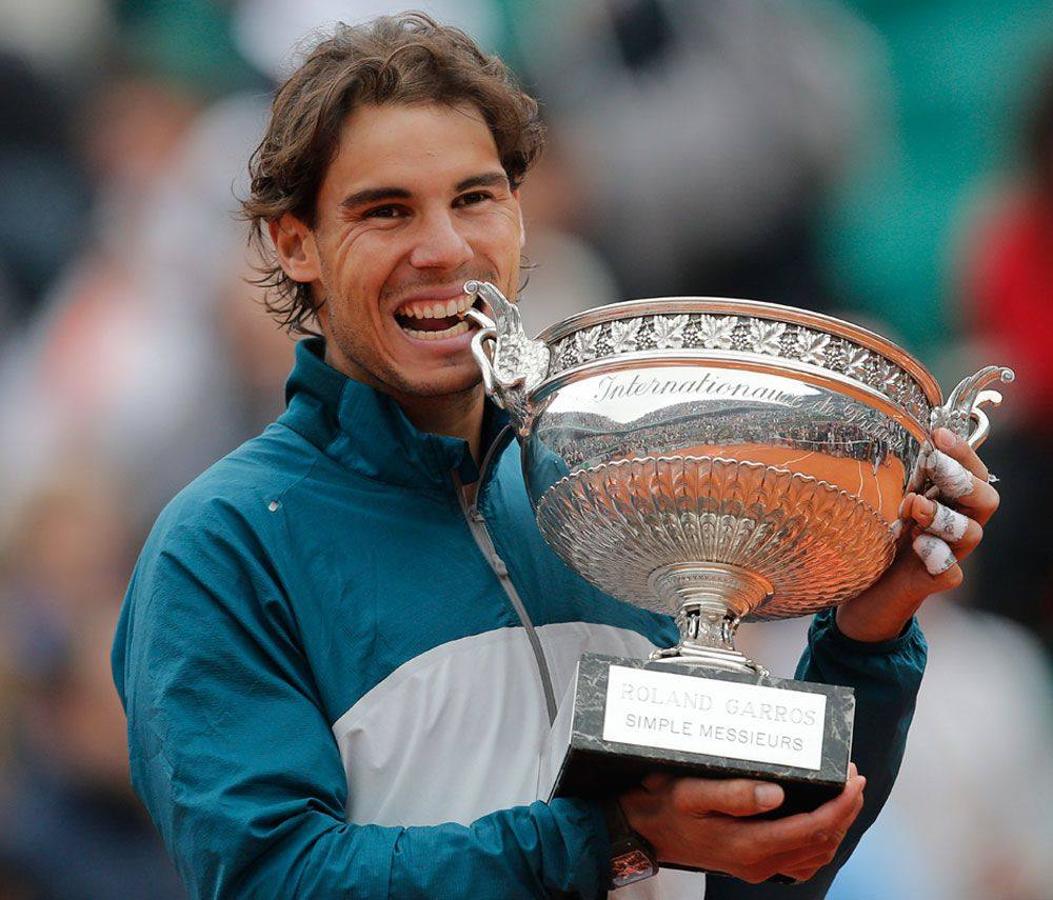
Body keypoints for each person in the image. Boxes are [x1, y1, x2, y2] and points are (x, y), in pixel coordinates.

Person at [111, 13, 1000, 899]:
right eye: (386, 211)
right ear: (293, 244)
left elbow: (760, 875)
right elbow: (275, 883)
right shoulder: (222, 548)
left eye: (474, 198)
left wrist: (865, 636)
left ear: (520, 216)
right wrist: (612, 838)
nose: (445, 250)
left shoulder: (610, 492)